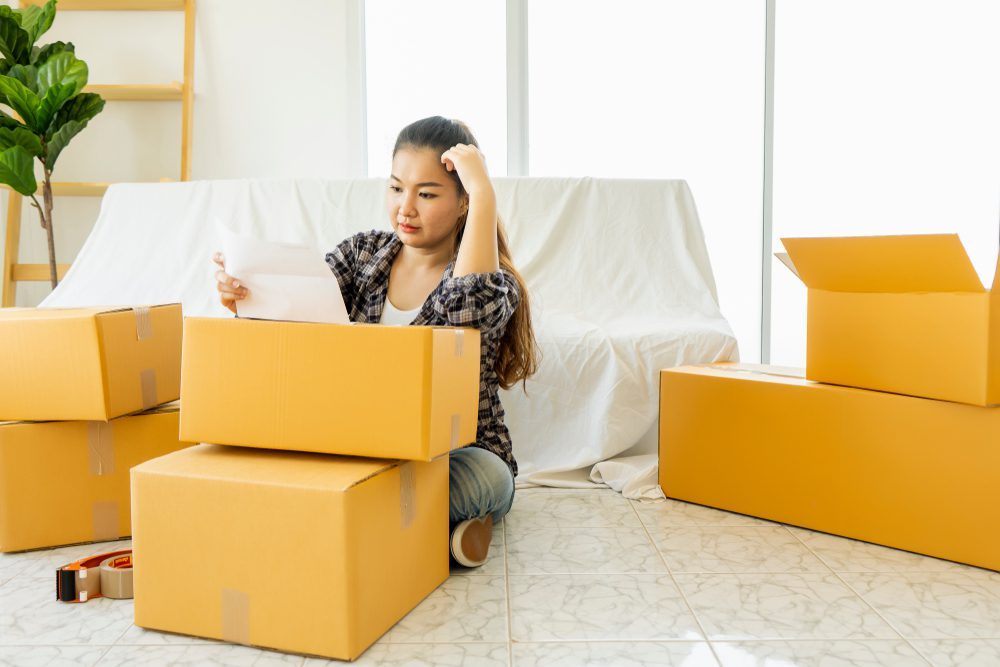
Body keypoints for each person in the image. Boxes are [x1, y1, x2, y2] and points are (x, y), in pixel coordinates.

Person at [212, 116, 539, 568]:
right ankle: (407, 525)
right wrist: (245, 297)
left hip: (452, 454)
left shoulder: (492, 284)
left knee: (488, 478)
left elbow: (468, 308)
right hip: (359, 445)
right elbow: (298, 321)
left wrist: (484, 193)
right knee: (296, 468)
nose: (406, 208)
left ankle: (358, 520)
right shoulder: (361, 255)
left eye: (427, 194)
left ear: (463, 203)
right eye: (396, 188)